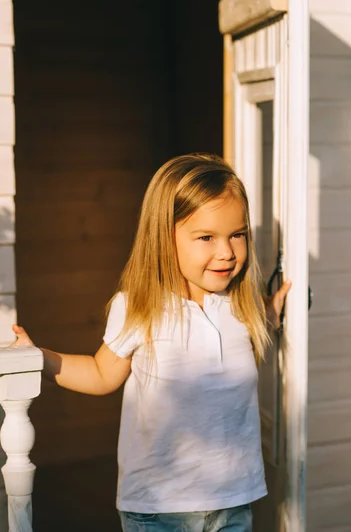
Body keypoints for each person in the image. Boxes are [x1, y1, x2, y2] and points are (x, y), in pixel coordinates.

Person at [12, 153, 291, 532]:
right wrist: (39, 357)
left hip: (233, 501)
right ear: (165, 238)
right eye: (206, 237)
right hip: (161, 509)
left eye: (237, 235)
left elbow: (249, 342)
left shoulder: (241, 307)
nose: (226, 252)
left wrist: (274, 314)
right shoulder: (141, 307)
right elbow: (99, 374)